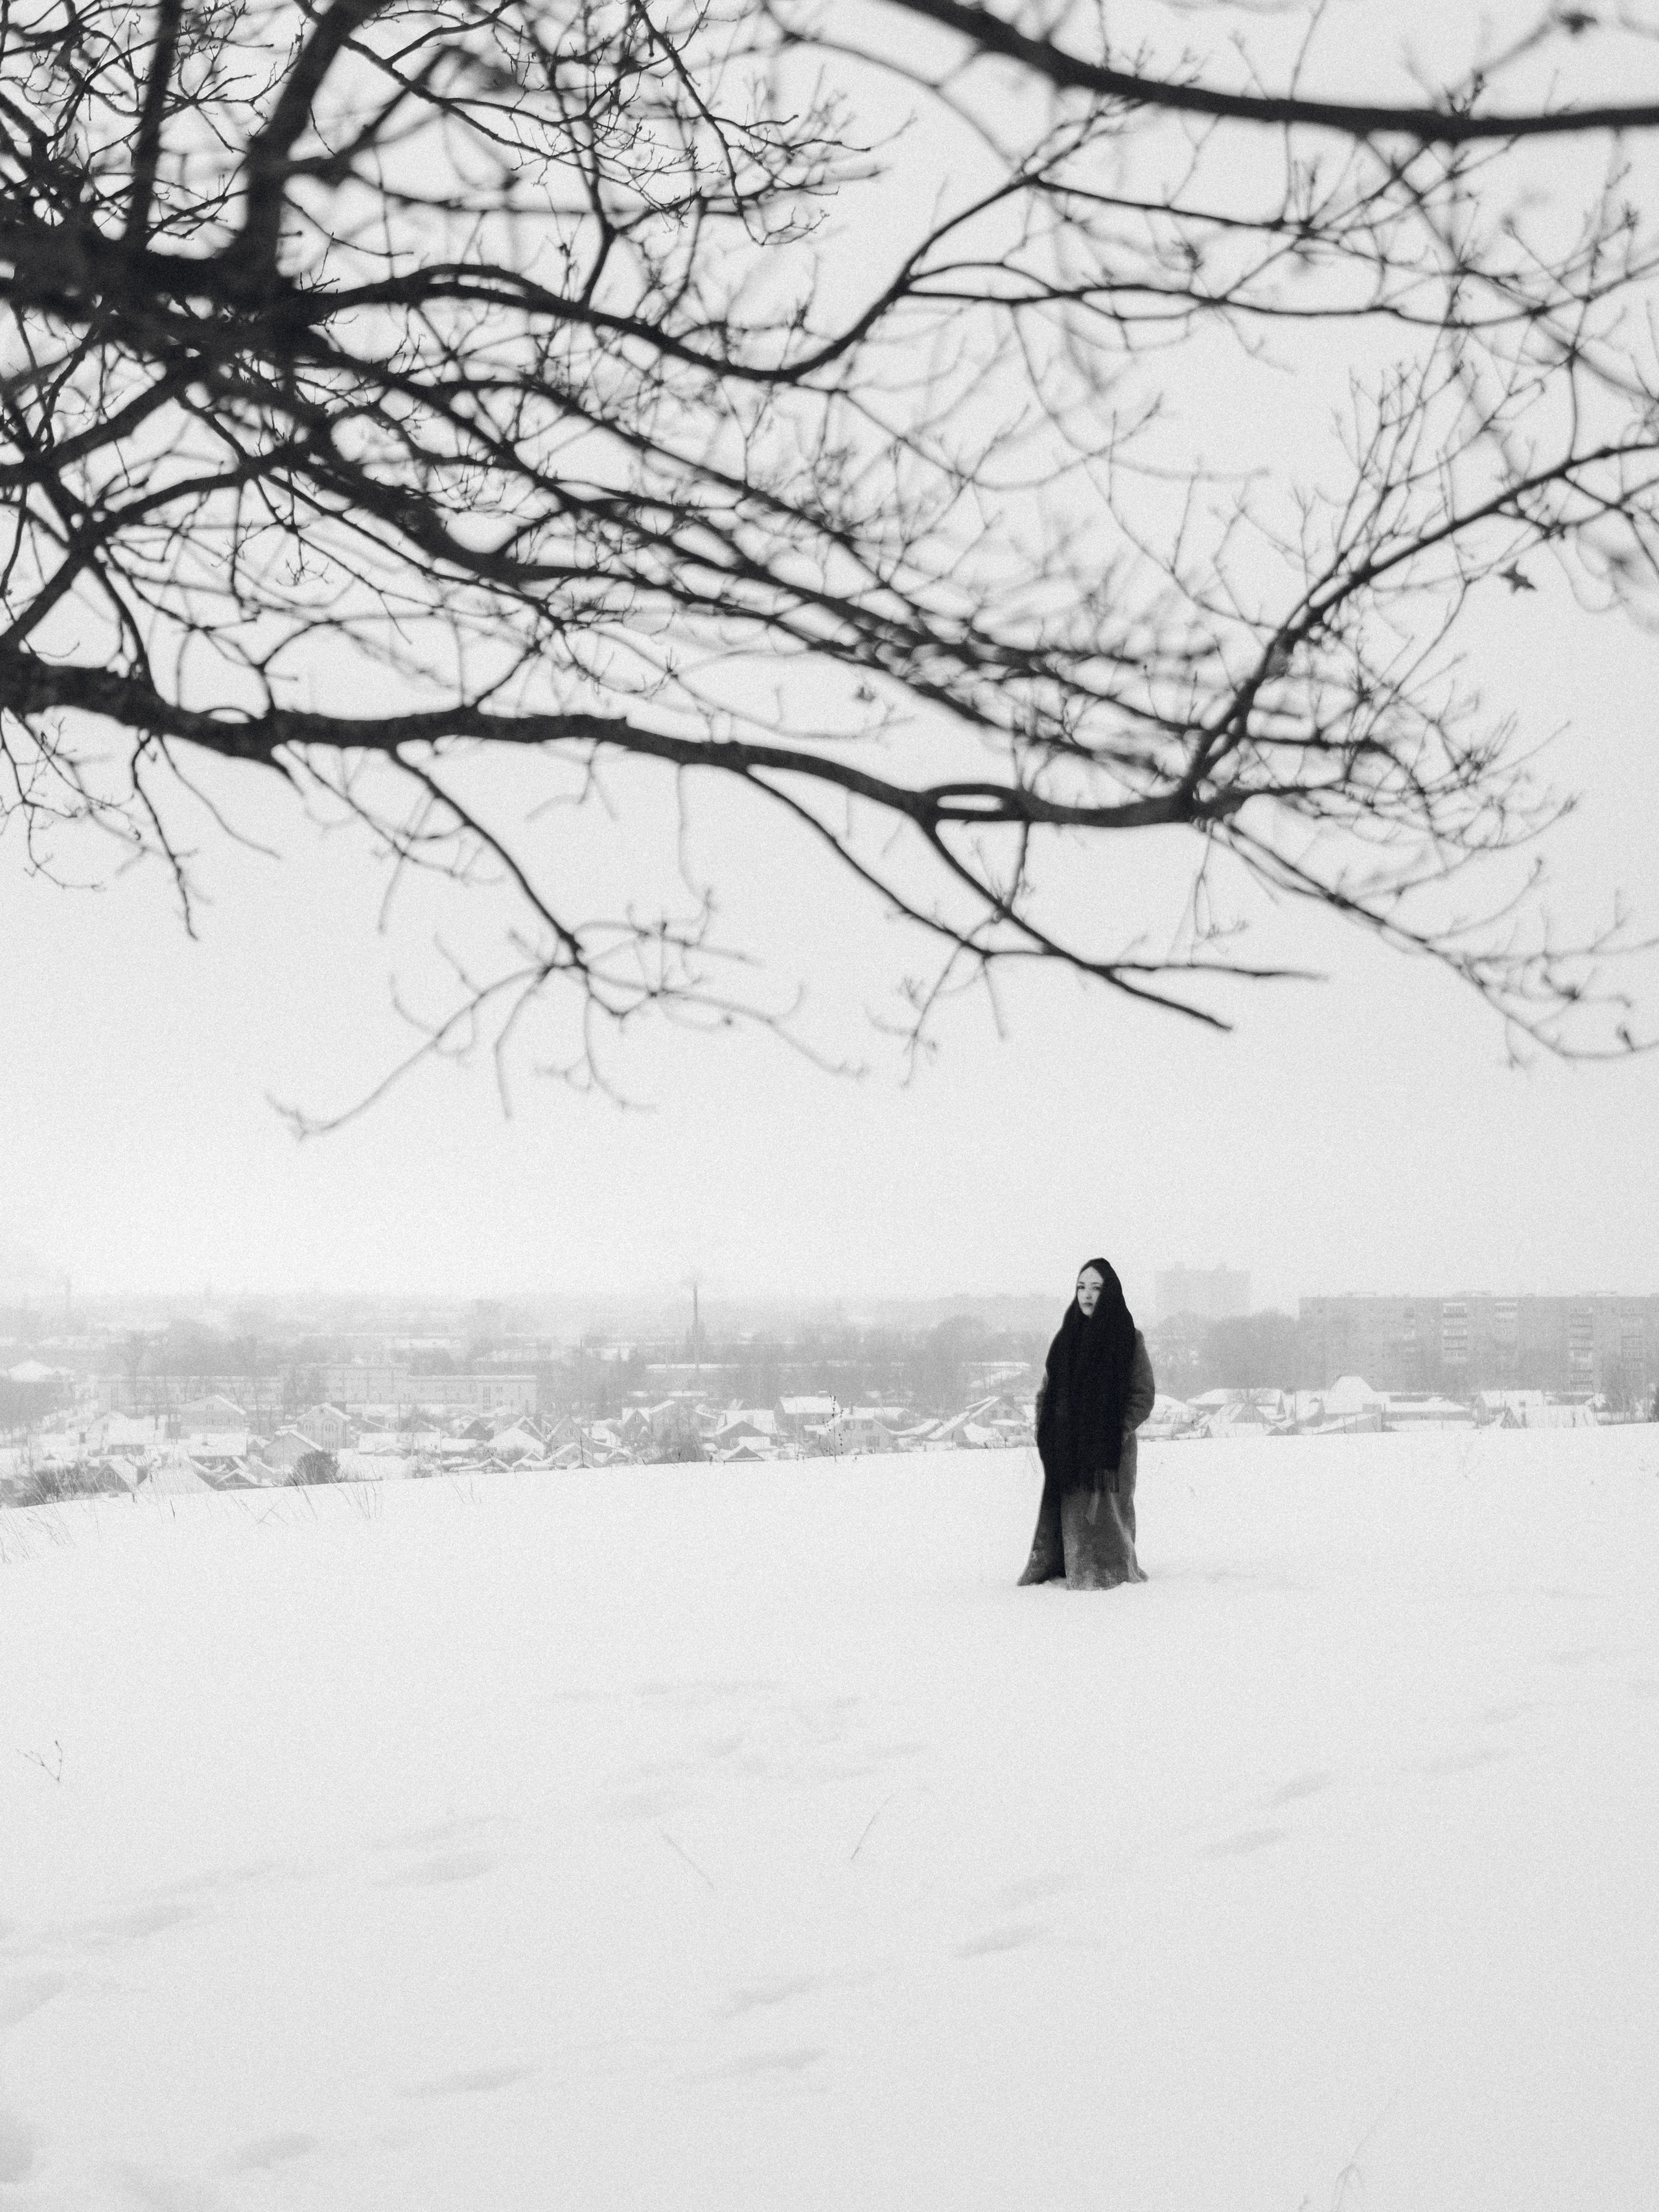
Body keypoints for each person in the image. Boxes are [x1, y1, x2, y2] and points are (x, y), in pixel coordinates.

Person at [1018, 1257, 1155, 1590]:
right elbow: (1047, 1391)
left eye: (1096, 1287)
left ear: (1110, 1293)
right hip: (1067, 1447)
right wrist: (1047, 1431)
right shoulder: (1066, 1338)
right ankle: (1072, 1569)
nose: (1087, 1295)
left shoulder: (1127, 1338)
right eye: (1081, 1287)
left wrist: (1112, 1433)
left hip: (1111, 1453)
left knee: (1108, 1517)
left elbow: (1143, 1396)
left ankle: (1111, 1573)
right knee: (1071, 1513)